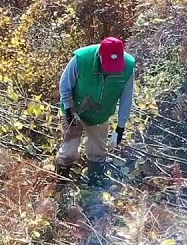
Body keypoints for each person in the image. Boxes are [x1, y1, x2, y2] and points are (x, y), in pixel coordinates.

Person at [55, 37, 137, 184]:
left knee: (98, 152)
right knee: (69, 152)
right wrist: (68, 110)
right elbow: (65, 85)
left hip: (101, 114)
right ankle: (61, 183)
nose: (111, 70)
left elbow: (127, 98)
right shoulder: (82, 59)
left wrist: (120, 127)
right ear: (100, 55)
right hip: (75, 110)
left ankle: (95, 185)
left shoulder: (128, 66)